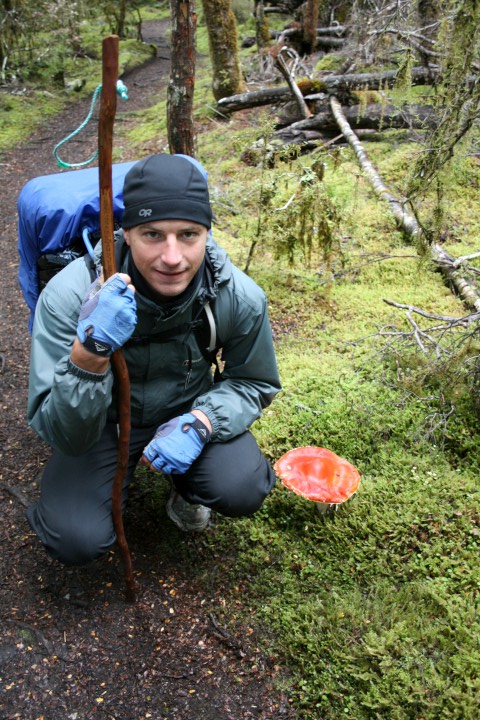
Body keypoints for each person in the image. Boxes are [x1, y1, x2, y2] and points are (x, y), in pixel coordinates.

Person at [26, 153, 281, 566]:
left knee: (241, 485)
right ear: (126, 233)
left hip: (186, 408)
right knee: (75, 538)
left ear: (207, 234)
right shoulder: (69, 296)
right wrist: (89, 354)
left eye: (188, 234)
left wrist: (204, 421)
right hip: (101, 424)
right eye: (152, 234)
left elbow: (254, 381)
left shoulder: (236, 295)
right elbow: (63, 434)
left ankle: (187, 489)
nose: (172, 256)